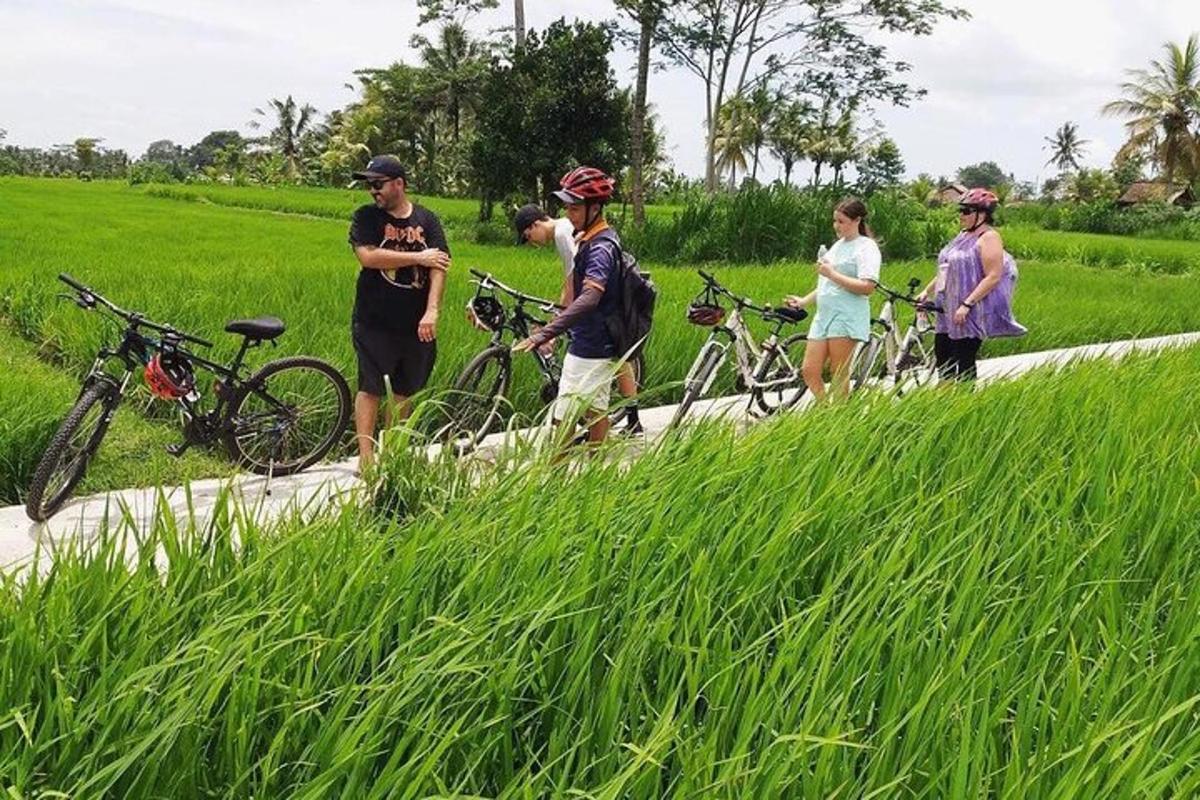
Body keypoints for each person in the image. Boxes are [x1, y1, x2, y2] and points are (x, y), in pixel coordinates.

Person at [347, 155, 451, 469]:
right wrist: (420, 258)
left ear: (399, 184)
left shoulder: (427, 220)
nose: (373, 191)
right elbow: (368, 257)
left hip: (415, 323)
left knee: (404, 390)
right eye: (369, 185)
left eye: (377, 184)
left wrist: (432, 309)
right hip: (374, 320)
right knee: (371, 387)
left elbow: (441, 265)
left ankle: (391, 453)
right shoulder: (366, 217)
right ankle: (366, 458)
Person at [512, 168, 627, 443]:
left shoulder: (600, 247)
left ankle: (559, 477)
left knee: (565, 419)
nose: (569, 215)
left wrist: (546, 331)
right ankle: (594, 474)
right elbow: (573, 282)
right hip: (593, 340)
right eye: (567, 208)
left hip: (592, 345)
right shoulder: (590, 237)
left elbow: (588, 296)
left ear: (595, 208)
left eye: (575, 209)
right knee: (595, 413)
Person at [916, 188, 1026, 381]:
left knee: (964, 362)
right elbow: (946, 270)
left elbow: (993, 276)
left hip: (969, 312)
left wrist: (967, 304)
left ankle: (965, 402)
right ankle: (944, 404)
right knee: (943, 359)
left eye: (966, 211)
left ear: (982, 214)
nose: (961, 215)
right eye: (961, 210)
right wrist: (927, 291)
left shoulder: (989, 238)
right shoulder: (962, 237)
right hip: (948, 309)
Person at [785, 198, 881, 400]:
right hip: (824, 315)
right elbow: (826, 284)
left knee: (838, 372)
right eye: (835, 221)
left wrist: (832, 274)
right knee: (809, 370)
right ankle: (825, 410)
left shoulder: (866, 247)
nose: (836, 226)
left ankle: (839, 417)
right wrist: (804, 301)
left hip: (846, 316)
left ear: (857, 220)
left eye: (841, 221)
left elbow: (867, 287)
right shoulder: (837, 246)